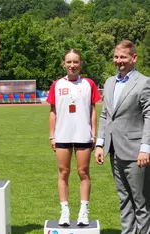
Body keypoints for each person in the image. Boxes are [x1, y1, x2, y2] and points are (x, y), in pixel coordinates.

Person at [94, 40, 150, 234]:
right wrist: (100, 144)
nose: (119, 61)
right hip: (114, 150)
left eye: (123, 57)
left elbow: (149, 116)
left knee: (141, 202)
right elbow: (105, 114)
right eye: (116, 57)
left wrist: (145, 148)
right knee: (123, 199)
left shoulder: (144, 82)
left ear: (133, 58)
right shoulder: (110, 82)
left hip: (136, 153)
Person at [46, 49, 101, 226]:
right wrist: (51, 136)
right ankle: (65, 212)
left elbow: (93, 110)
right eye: (69, 62)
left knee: (83, 172)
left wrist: (94, 134)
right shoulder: (57, 85)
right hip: (62, 134)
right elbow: (53, 112)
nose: (72, 65)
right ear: (64, 63)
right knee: (63, 172)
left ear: (81, 63)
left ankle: (84, 211)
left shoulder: (89, 84)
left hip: (83, 135)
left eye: (75, 62)